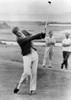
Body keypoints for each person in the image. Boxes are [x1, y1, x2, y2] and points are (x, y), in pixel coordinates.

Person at [12, 27, 46, 95]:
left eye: (18, 31)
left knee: (34, 72)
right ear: (15, 34)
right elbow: (30, 38)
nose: (18, 33)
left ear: (19, 29)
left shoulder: (24, 31)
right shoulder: (19, 39)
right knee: (27, 72)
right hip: (26, 56)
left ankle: (32, 89)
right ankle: (19, 85)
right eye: (16, 33)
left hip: (34, 53)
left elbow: (32, 35)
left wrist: (42, 36)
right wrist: (40, 34)